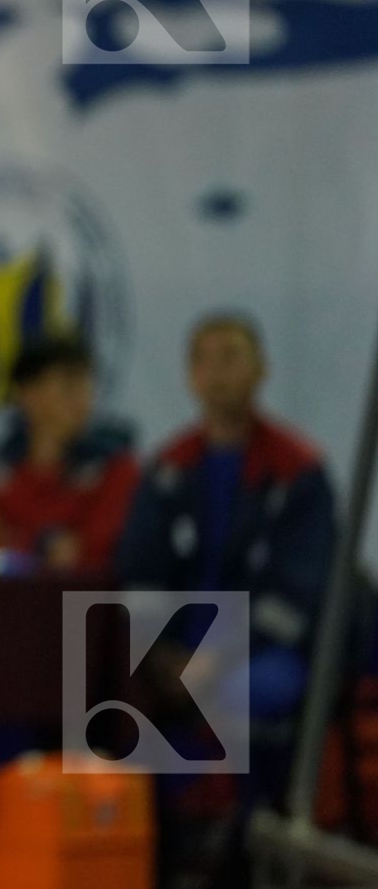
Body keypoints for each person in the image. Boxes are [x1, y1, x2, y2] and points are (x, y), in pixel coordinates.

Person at [116, 314, 334, 813]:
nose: (217, 373)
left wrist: (220, 658)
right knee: (98, 681)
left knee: (243, 692)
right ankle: (142, 838)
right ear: (190, 377)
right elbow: (141, 569)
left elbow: (300, 592)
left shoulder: (298, 471)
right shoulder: (169, 468)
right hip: (179, 647)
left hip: (267, 648)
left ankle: (252, 833)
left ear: (260, 369)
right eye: (204, 361)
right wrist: (158, 652)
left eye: (231, 357)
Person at [0, 334, 139, 575]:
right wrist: (43, 545)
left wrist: (9, 538)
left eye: (87, 386)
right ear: (28, 395)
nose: (83, 400)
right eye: (69, 388)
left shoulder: (117, 469)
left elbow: (97, 551)